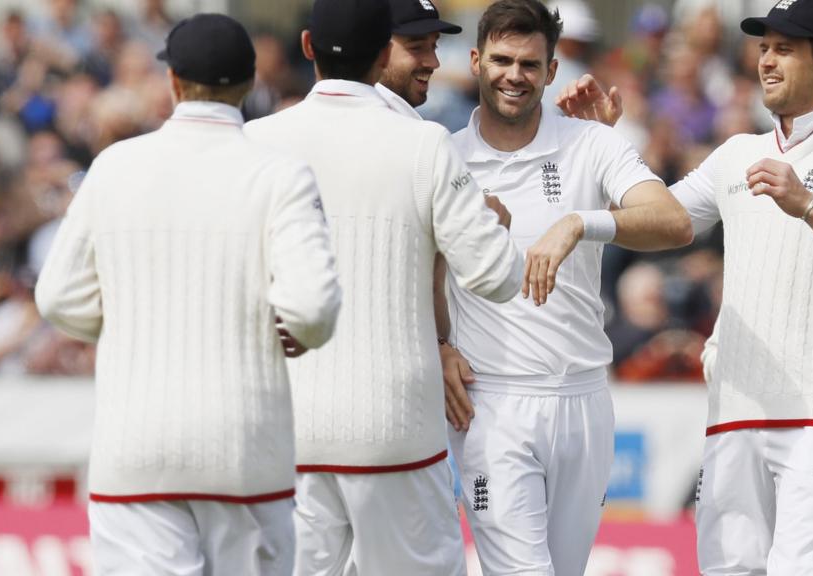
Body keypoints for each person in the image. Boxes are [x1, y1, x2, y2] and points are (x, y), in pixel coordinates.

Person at [35, 14, 342, 575]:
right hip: (244, 451)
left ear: (173, 81)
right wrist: (291, 330)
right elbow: (313, 309)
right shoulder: (279, 174)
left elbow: (57, 296)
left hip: (134, 449)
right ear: (249, 84)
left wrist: (129, 320)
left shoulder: (114, 166)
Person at [244, 0, 523, 573]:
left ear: (305, 47)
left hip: (283, 435)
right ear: (380, 54)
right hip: (394, 431)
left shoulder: (254, 140)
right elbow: (497, 277)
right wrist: (491, 222)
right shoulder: (422, 143)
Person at [559, 0, 813, 571]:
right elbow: (656, 222)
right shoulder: (737, 154)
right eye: (764, 49)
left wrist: (808, 205)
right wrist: (603, 151)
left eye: (785, 49)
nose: (767, 62)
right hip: (733, 412)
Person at [438, 1, 692, 575]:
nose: (514, 75)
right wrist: (440, 344)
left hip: (585, 398)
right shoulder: (444, 156)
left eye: (530, 64)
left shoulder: (591, 143)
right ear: (476, 61)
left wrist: (581, 221)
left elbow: (673, 221)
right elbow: (421, 266)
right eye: (501, 59)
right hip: (492, 404)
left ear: (551, 71)